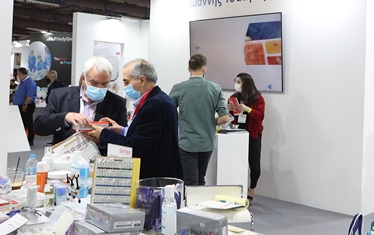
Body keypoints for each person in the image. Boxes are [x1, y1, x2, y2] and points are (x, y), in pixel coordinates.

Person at [89, 59, 181, 179]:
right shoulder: (157, 100)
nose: (124, 86)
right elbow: (145, 135)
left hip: (157, 177)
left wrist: (102, 134)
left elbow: (134, 146)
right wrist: (121, 130)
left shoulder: (155, 105)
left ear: (142, 80)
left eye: (126, 82)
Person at [34, 56, 128, 153]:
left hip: (99, 158)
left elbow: (124, 143)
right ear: (83, 78)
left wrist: (102, 140)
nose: (99, 88)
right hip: (65, 157)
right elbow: (39, 126)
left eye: (104, 84)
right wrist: (66, 117)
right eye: (94, 83)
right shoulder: (60, 96)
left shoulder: (117, 103)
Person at [169, 54, 230, 186]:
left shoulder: (179, 88)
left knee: (189, 181)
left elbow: (168, 111)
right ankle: (200, 199)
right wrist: (211, 121)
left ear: (188, 69)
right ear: (204, 68)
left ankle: (190, 200)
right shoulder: (215, 88)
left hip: (187, 142)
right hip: (206, 142)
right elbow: (225, 118)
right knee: (201, 178)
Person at [227, 73, 265, 203]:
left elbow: (260, 116)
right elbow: (229, 117)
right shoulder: (233, 97)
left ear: (246, 83)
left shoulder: (258, 98)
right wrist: (227, 109)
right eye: (236, 81)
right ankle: (238, 190)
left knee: (255, 166)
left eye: (239, 82)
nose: (236, 84)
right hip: (237, 135)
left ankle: (252, 188)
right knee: (237, 163)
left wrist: (247, 109)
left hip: (253, 135)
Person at [12, 66, 37, 146]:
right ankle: (23, 139)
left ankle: (30, 140)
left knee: (28, 123)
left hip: (27, 106)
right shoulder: (22, 82)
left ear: (20, 73)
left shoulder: (30, 82)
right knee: (23, 123)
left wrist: (25, 104)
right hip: (20, 105)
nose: (17, 76)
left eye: (18, 74)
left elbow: (30, 95)